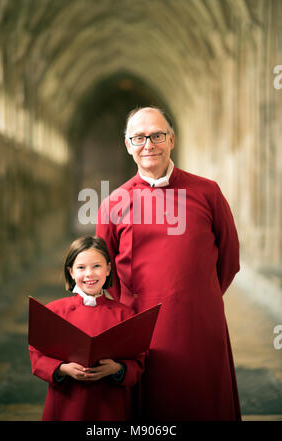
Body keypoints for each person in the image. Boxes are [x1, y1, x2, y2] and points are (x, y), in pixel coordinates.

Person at [96, 106, 241, 421]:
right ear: (128, 145)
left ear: (172, 139)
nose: (148, 144)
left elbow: (229, 259)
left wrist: (199, 298)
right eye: (138, 138)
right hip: (143, 331)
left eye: (157, 135)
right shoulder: (113, 204)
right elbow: (104, 275)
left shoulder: (207, 192)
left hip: (201, 325)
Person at [29, 236, 145, 421]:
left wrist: (117, 368)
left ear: (108, 269)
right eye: (81, 267)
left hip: (110, 404)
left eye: (97, 266)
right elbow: (37, 355)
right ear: (71, 272)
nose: (89, 274)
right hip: (68, 401)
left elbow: (139, 361)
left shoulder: (125, 314)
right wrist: (63, 369)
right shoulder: (54, 311)